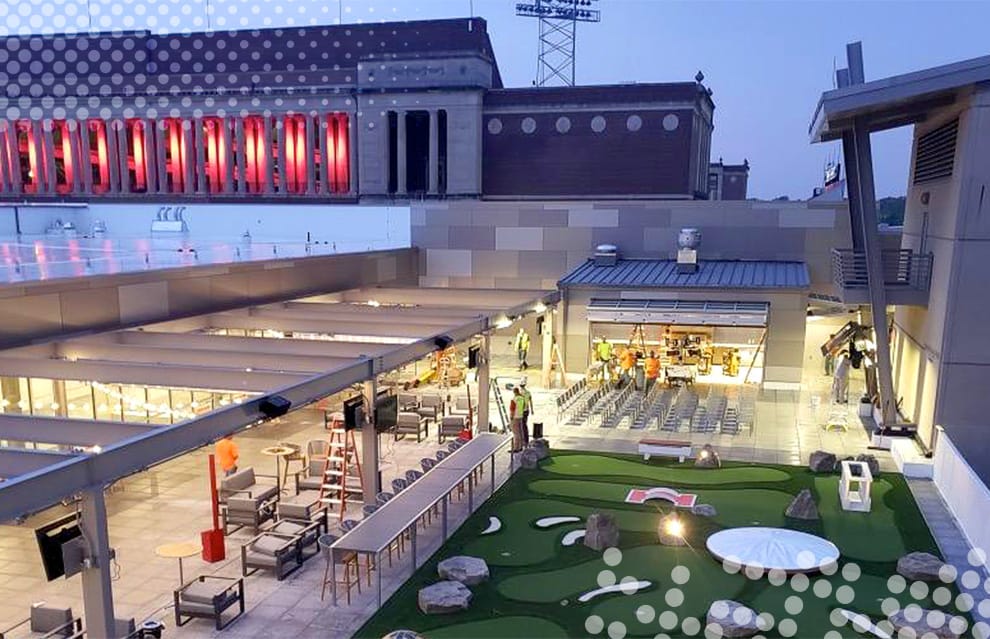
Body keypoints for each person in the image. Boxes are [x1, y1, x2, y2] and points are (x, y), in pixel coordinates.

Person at [509, 387, 525, 452]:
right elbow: (523, 407)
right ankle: (521, 446)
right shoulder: (522, 398)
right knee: (520, 432)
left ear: (514, 392)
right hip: (520, 416)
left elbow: (512, 409)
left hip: (515, 417)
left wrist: (511, 417)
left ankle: (516, 448)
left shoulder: (514, 399)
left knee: (516, 433)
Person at [519, 377, 533, 445]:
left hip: (522, 411)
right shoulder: (528, 392)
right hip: (527, 411)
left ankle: (523, 440)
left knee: (522, 426)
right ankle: (525, 439)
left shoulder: (521, 393)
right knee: (524, 425)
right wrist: (532, 410)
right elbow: (530, 401)